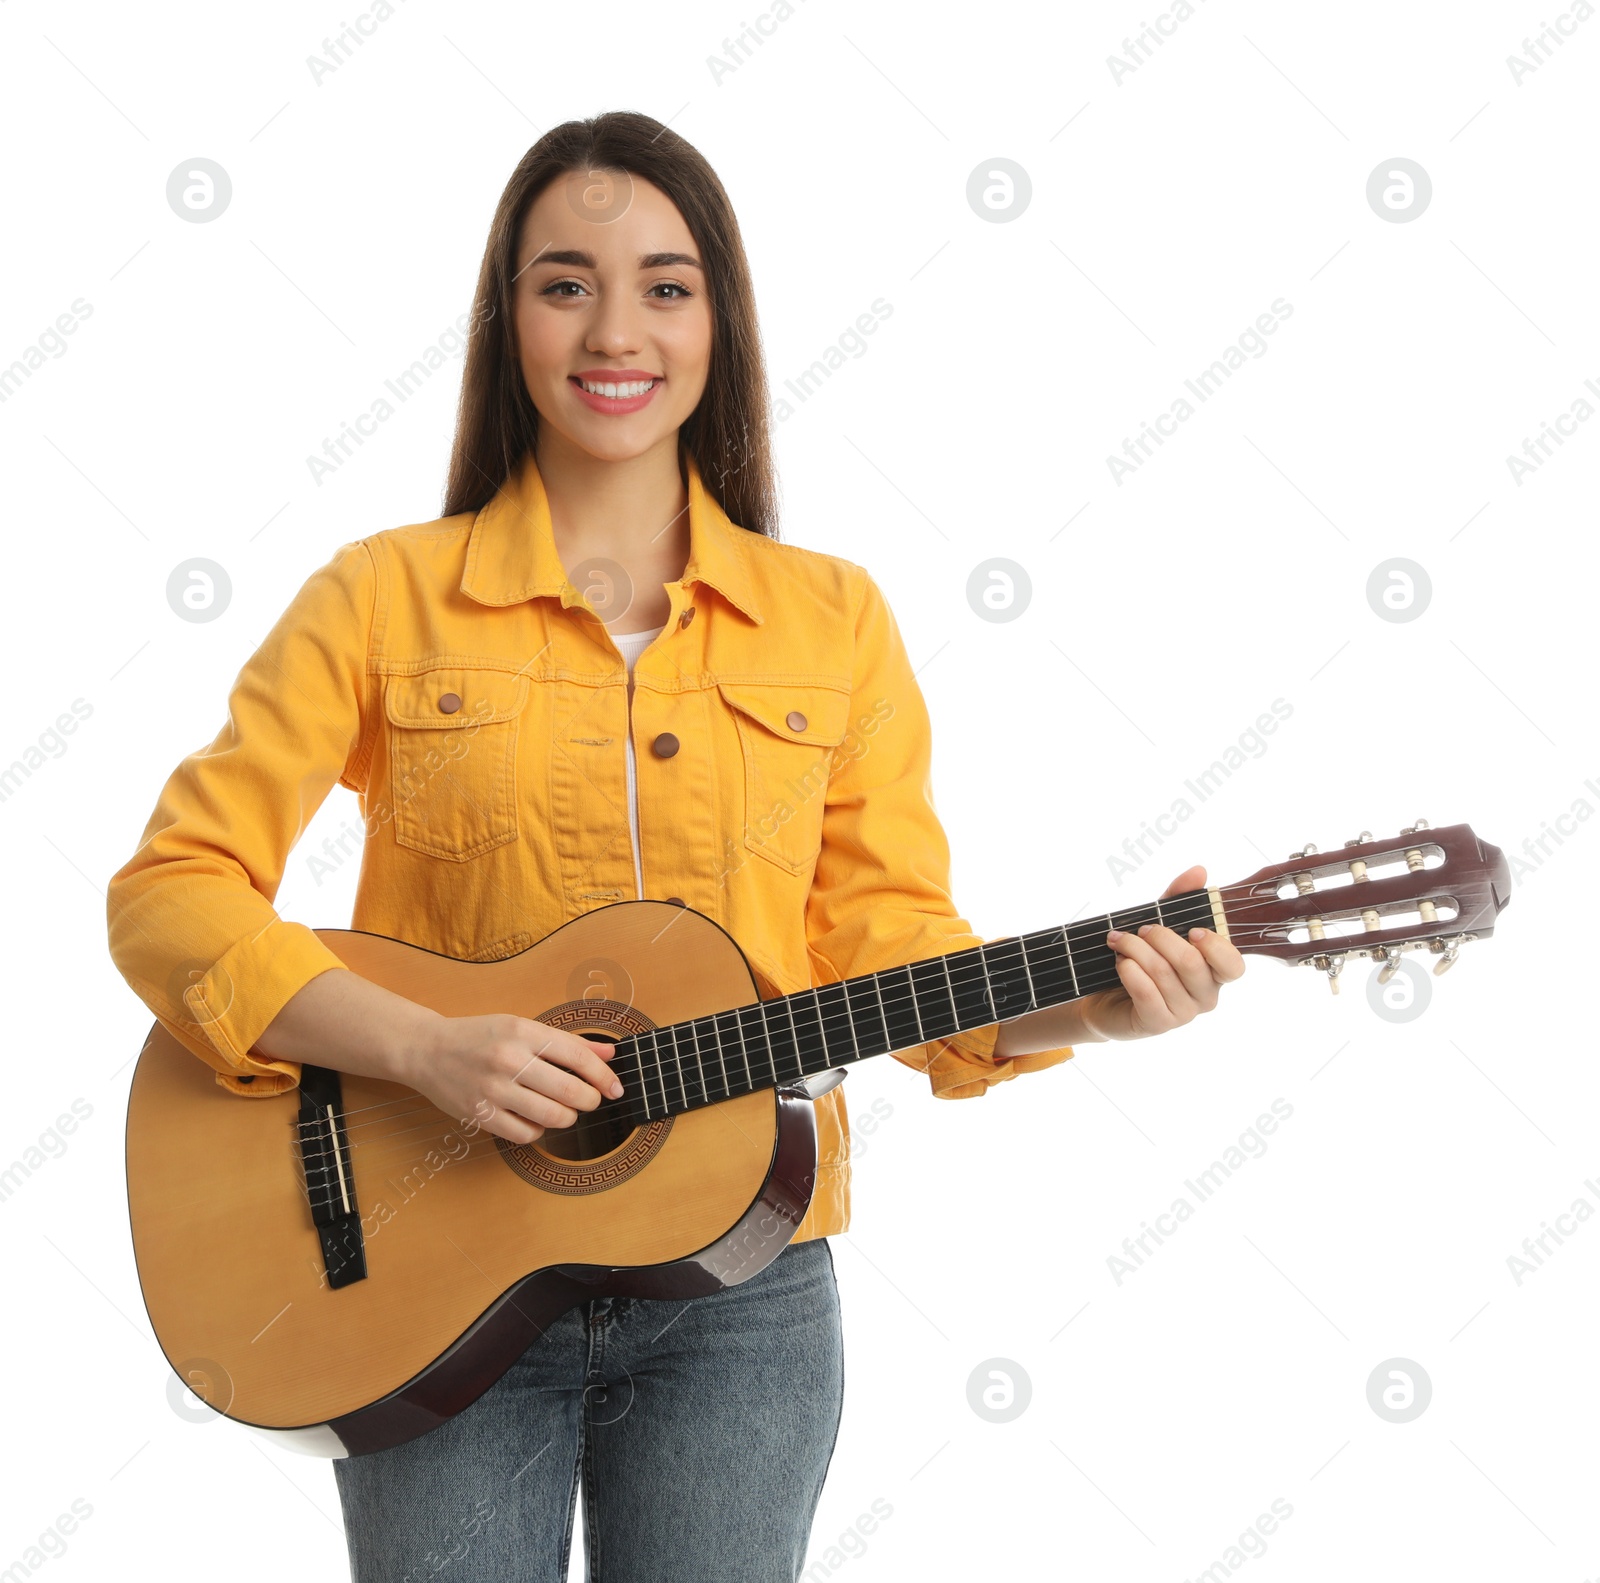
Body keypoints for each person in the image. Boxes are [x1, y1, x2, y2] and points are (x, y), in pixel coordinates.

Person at [106, 111, 1245, 1583]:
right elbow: (172, 896)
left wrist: (1092, 1001)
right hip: (421, 1275)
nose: (614, 329)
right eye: (564, 281)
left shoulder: (836, 622)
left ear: (720, 320)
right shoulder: (382, 599)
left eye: (666, 283)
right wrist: (420, 1050)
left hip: (745, 1303)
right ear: (506, 319)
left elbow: (891, 951)